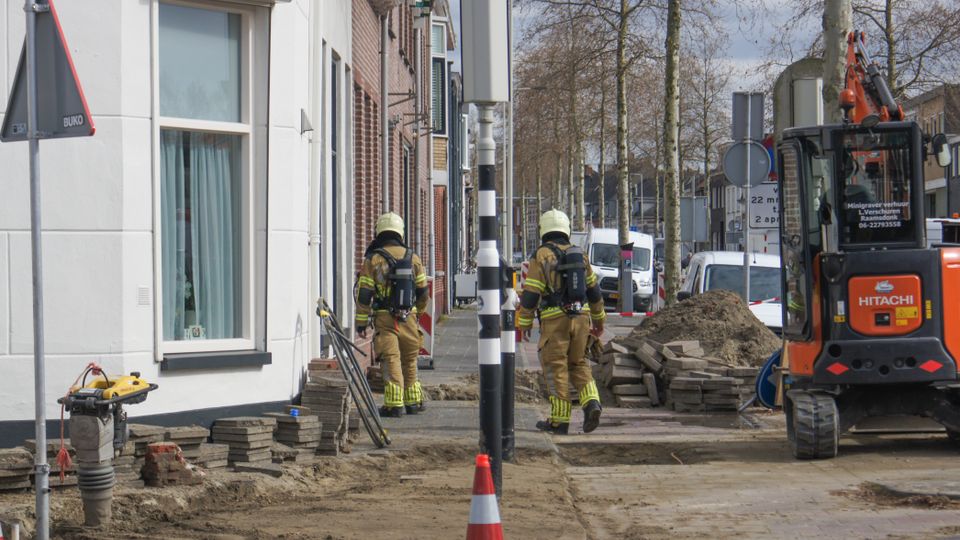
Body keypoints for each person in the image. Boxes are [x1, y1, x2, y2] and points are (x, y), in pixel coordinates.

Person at [517, 209, 606, 434]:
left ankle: (559, 420)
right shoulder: (581, 255)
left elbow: (531, 293)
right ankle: (592, 402)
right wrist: (599, 320)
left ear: (544, 229)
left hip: (555, 321)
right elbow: (594, 291)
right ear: (566, 229)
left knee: (555, 367)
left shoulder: (541, 255)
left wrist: (524, 322)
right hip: (582, 319)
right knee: (579, 363)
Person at [355, 212, 429, 417]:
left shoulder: (373, 259)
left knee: (391, 358)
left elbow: (364, 293)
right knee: (409, 358)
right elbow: (423, 292)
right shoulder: (413, 257)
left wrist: (361, 323)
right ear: (400, 232)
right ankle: (413, 400)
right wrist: (417, 314)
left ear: (379, 231)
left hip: (385, 318)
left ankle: (395, 404)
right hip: (410, 317)